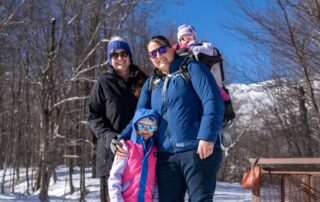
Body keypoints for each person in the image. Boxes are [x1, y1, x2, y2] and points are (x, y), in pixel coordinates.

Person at [119, 35, 224, 201]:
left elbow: (212, 101)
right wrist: (121, 138)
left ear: (170, 49)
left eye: (161, 50)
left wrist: (207, 136)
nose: (159, 56)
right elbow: (139, 117)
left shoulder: (191, 68)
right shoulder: (152, 82)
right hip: (165, 156)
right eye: (153, 54)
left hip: (197, 149)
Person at [88, 36, 147, 202]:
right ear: (110, 59)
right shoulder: (103, 83)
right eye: (115, 55)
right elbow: (94, 116)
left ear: (129, 56)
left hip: (138, 155)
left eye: (124, 53)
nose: (120, 58)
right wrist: (110, 138)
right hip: (111, 156)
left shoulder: (143, 81)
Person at [108, 108, 160, 202]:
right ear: (135, 126)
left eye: (150, 127)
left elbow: (155, 183)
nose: (145, 130)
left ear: (154, 130)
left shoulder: (154, 152)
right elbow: (115, 177)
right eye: (142, 126)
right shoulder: (126, 147)